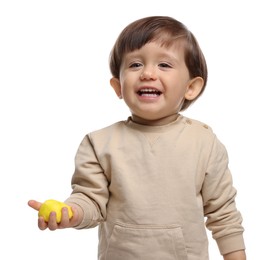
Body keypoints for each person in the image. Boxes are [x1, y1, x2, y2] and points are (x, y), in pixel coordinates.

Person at [28, 16, 246, 260]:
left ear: (191, 87)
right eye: (134, 65)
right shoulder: (99, 144)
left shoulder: (204, 143)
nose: (148, 73)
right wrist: (72, 212)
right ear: (118, 86)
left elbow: (223, 213)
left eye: (164, 64)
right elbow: (91, 200)